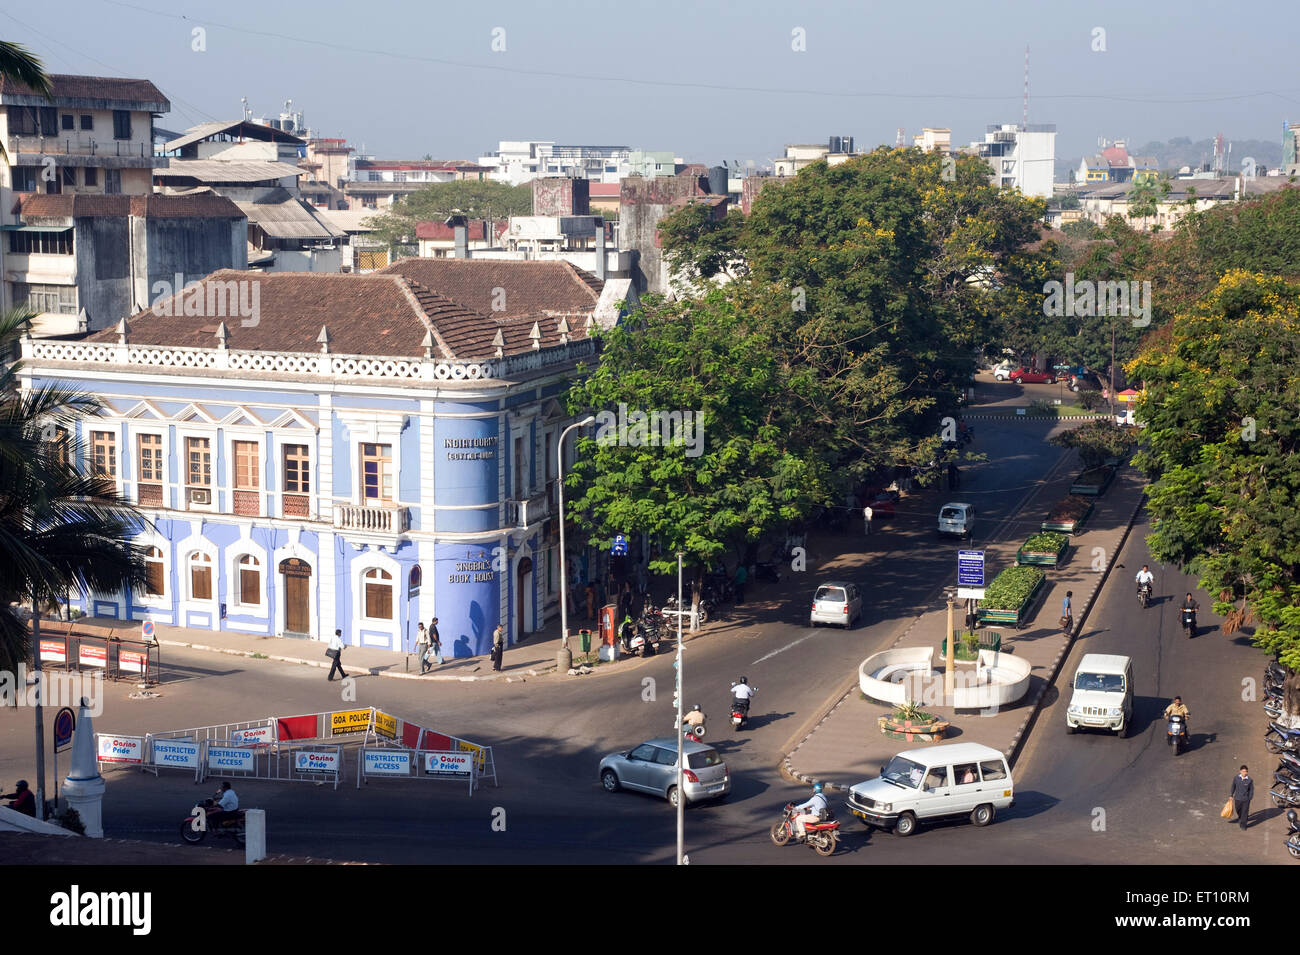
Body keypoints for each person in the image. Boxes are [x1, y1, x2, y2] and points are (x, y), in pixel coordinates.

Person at [1229, 765, 1253, 831]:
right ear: (1240, 771)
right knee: (1238, 810)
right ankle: (1240, 818)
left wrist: (1249, 798)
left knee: (1244, 812)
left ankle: (1243, 825)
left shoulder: (1250, 780)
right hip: (1237, 798)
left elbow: (1251, 790)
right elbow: (1233, 786)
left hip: (1246, 799)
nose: (1245, 773)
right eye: (1243, 771)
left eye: (1246, 772)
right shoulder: (1236, 778)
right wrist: (1231, 795)